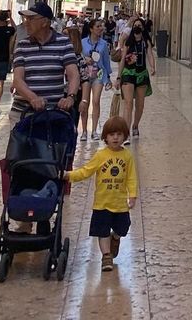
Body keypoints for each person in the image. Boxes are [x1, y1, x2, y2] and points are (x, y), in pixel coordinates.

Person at [66, 115, 138, 273]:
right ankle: (106, 256)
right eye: (112, 135)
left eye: (119, 134)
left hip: (120, 203)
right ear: (105, 137)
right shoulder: (100, 155)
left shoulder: (127, 156)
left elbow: (131, 177)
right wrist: (69, 176)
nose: (115, 138)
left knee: (123, 227)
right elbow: (87, 171)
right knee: (102, 230)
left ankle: (116, 237)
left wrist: (132, 195)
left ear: (124, 136)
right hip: (102, 203)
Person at [10, 0, 79, 122]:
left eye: (31, 19)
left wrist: (70, 97)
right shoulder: (22, 45)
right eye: (25, 19)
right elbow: (17, 79)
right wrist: (32, 98)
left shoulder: (63, 43)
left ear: (45, 22)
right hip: (23, 112)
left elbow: (73, 75)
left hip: (52, 112)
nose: (26, 23)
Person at [115, 19, 155, 140]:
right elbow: (122, 59)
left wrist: (153, 67)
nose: (137, 27)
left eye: (139, 25)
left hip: (142, 73)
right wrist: (118, 77)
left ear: (143, 27)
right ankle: (126, 131)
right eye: (135, 25)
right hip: (128, 73)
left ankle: (135, 125)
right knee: (128, 103)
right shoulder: (128, 42)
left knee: (140, 104)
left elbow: (149, 54)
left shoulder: (145, 41)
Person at [80, 19, 113, 140]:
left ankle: (94, 130)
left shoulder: (103, 44)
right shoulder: (83, 42)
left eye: (101, 26)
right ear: (91, 28)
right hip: (85, 75)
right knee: (85, 101)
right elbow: (77, 57)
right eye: (98, 26)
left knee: (96, 100)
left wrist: (108, 77)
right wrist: (85, 60)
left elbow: (106, 61)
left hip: (99, 74)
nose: (101, 28)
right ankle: (84, 131)